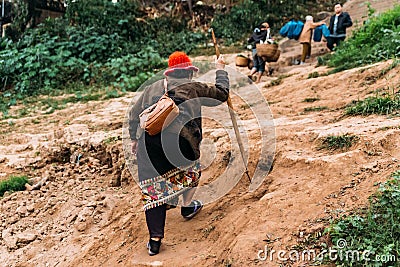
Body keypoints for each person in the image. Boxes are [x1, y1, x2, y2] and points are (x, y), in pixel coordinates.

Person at [128, 51, 229, 256]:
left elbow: (133, 115)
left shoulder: (151, 89)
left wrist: (133, 138)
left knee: (152, 191)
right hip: (181, 144)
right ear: (190, 73)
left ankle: (155, 241)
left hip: (149, 144)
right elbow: (222, 94)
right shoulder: (195, 88)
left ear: (168, 74)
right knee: (192, 170)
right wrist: (221, 70)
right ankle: (187, 206)